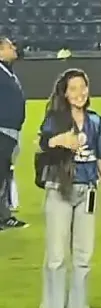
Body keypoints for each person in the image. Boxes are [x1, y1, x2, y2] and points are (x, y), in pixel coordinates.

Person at [37, 68, 101, 308]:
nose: (79, 93)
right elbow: (42, 142)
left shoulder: (96, 121)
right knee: (57, 253)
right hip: (60, 189)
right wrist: (60, 140)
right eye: (73, 89)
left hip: (88, 191)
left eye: (83, 87)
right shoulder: (55, 119)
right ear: (64, 92)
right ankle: (54, 307)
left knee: (84, 253)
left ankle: (79, 305)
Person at [0, 37, 28, 230]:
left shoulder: (7, 72)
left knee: (4, 175)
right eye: (9, 46)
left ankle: (4, 216)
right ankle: (3, 217)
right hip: (2, 131)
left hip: (10, 132)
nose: (14, 48)